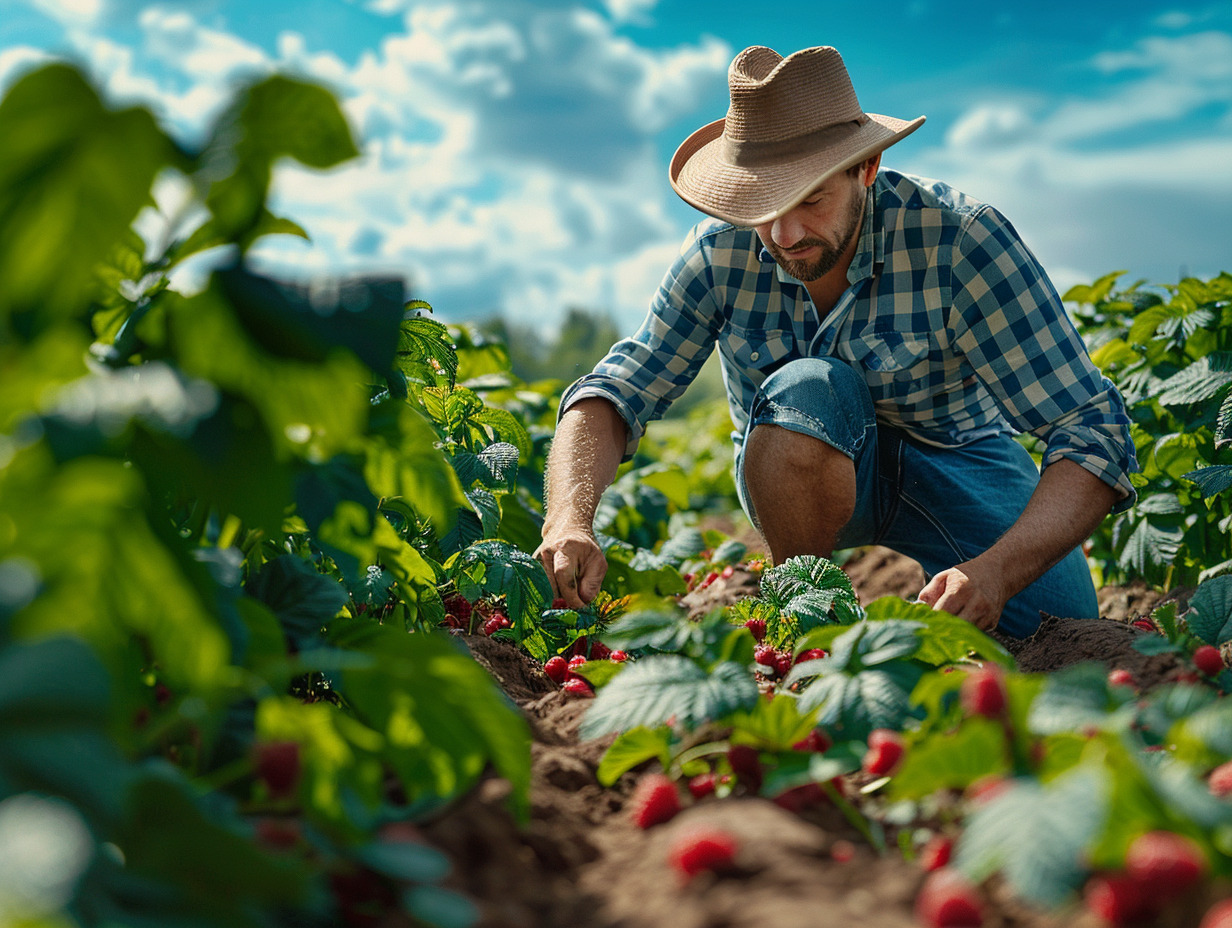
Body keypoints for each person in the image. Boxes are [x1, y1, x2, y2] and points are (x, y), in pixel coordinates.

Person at [534, 44, 1138, 638]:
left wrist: (996, 573)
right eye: (763, 206)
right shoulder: (718, 254)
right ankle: (802, 611)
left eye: (811, 200)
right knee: (809, 386)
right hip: (795, 464)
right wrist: (568, 520)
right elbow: (617, 391)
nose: (784, 233)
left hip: (957, 455)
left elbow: (1091, 428)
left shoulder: (959, 242)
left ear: (865, 169)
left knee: (1059, 626)